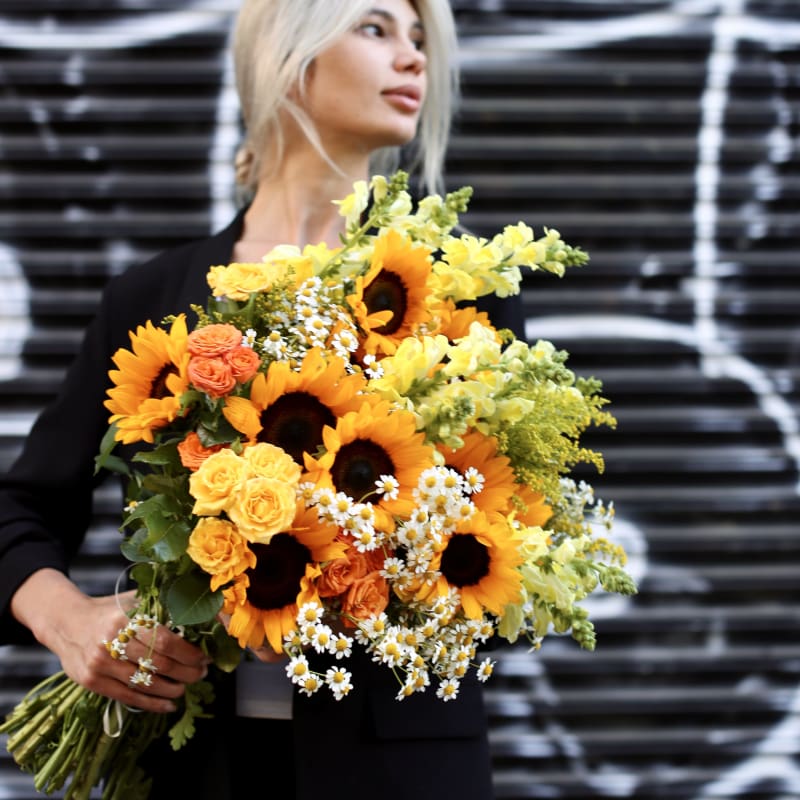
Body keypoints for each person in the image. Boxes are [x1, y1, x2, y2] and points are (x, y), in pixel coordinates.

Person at [0, 1, 519, 797]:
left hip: (402, 771)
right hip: (191, 766)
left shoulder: (457, 299)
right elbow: (21, 508)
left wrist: (352, 579)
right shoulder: (155, 299)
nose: (415, 59)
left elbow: (517, 547)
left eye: (420, 41)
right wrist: (73, 624)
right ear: (289, 56)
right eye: (377, 29)